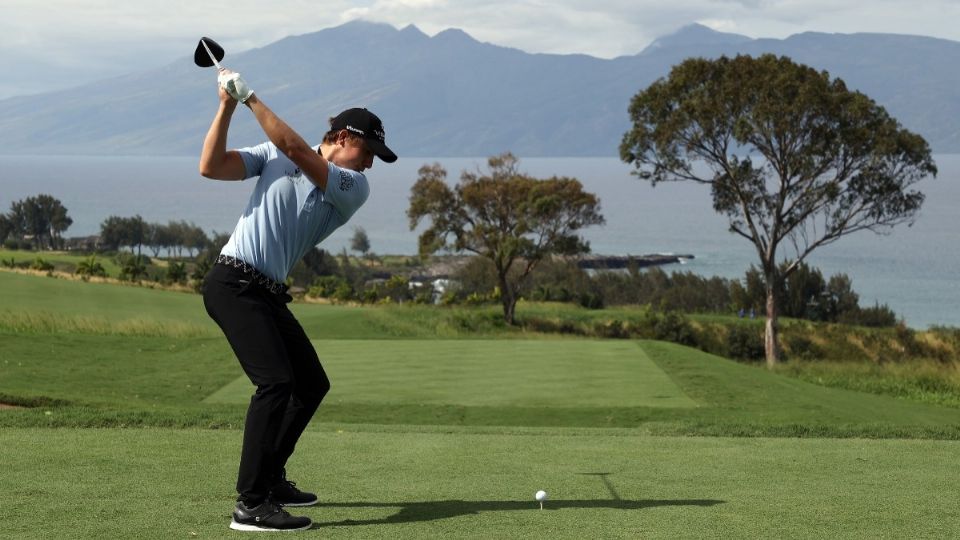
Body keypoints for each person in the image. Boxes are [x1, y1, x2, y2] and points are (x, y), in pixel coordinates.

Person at [199, 69, 397, 532]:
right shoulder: (273, 153)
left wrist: (251, 99)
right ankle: (251, 504)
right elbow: (210, 166)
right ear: (344, 137)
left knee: (310, 384)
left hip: (265, 291)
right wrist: (227, 106)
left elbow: (296, 150)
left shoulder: (352, 186)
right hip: (232, 284)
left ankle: (270, 479)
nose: (368, 164)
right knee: (275, 384)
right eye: (366, 152)